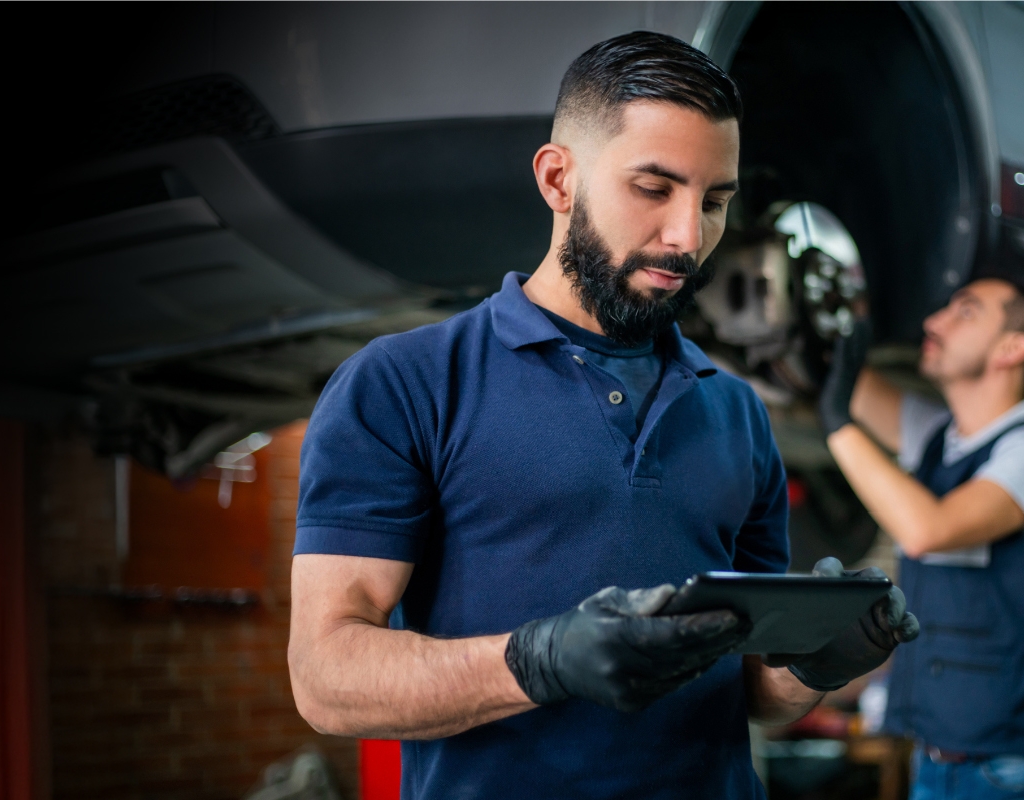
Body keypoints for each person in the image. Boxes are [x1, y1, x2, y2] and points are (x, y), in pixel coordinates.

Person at [286, 32, 918, 800]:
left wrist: (816, 664)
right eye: (654, 188)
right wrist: (538, 662)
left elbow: (751, 691)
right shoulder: (406, 383)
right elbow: (325, 679)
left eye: (715, 202)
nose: (689, 237)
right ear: (559, 178)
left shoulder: (735, 411)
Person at [822, 259, 1024, 800]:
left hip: (1019, 773)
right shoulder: (938, 437)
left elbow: (927, 529)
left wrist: (838, 426)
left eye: (965, 313)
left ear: (1011, 348)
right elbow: (843, 383)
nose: (934, 321)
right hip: (933, 762)